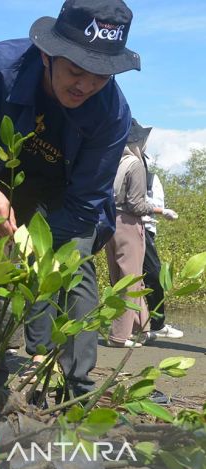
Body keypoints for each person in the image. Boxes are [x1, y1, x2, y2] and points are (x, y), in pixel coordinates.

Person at [0, 0, 140, 397]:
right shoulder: (1, 65)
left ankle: (76, 390)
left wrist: (31, 245)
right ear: (50, 53)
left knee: (76, 271)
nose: (85, 85)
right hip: (0, 181)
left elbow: (86, 202)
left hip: (69, 199)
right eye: (76, 70)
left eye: (100, 76)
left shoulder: (113, 113)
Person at [105, 119, 171, 347]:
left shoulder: (114, 161)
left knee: (119, 278)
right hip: (129, 225)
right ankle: (119, 336)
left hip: (111, 224)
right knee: (131, 282)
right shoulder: (135, 164)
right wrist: (160, 210)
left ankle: (137, 329)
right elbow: (136, 204)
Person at [141, 163, 182, 338]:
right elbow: (133, 203)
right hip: (138, 229)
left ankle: (143, 326)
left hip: (148, 229)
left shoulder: (150, 177)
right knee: (154, 275)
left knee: (143, 277)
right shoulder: (132, 171)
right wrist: (162, 211)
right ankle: (154, 325)